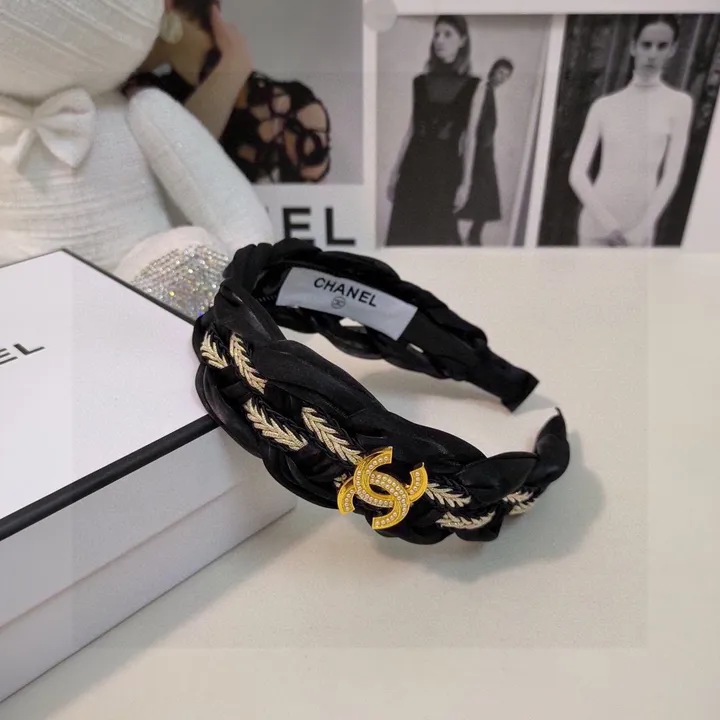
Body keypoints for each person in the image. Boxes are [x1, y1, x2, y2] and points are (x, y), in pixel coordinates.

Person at [125, 0, 331, 183]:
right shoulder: (135, 95)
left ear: (165, 5)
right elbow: (166, 176)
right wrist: (232, 67)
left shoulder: (294, 115)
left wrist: (233, 67)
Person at [568, 14, 693, 247]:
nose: (652, 54)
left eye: (662, 46)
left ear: (673, 50)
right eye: (646, 45)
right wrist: (608, 225)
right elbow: (576, 174)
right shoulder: (603, 106)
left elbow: (671, 176)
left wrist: (642, 228)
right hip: (596, 228)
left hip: (638, 232)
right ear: (633, 47)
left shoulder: (679, 104)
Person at [385, 15, 486, 246]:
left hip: (445, 171)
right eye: (437, 34)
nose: (439, 40)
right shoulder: (420, 82)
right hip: (412, 169)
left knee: (437, 237)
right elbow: (411, 131)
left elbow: (469, 138)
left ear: (462, 40)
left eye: (447, 34)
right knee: (403, 237)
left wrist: (466, 184)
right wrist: (394, 173)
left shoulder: (475, 86)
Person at [457, 57, 514, 245]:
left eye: (506, 76)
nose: (502, 78)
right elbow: (473, 123)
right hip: (478, 150)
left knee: (486, 194)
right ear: (493, 70)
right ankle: (460, 232)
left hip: (486, 151)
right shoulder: (483, 89)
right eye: (500, 72)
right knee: (473, 189)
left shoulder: (490, 92)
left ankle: (474, 233)